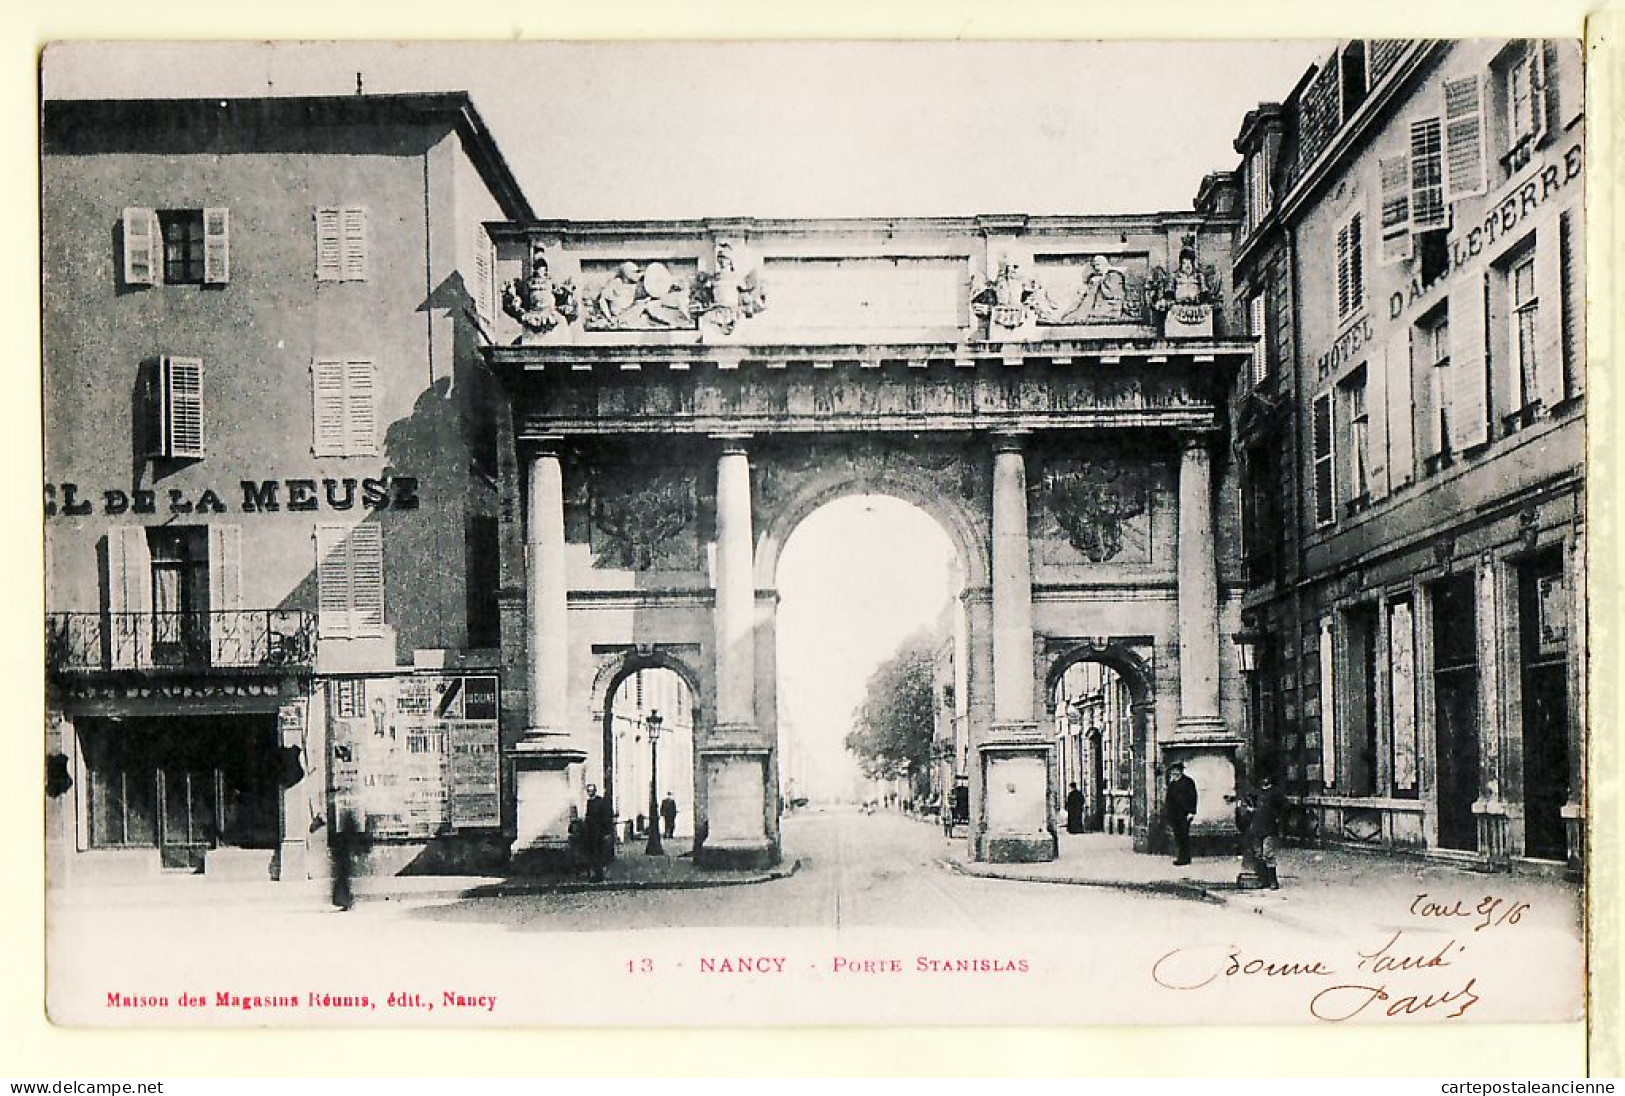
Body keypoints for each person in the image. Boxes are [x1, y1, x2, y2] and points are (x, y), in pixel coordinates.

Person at [1246, 773, 1284, 890]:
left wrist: (1278, 817)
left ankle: (1273, 881)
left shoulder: (1276, 792)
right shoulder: (1257, 793)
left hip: (1270, 827)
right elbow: (1250, 805)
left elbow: (1284, 806)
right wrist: (1251, 810)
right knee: (1258, 854)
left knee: (1268, 854)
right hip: (1257, 827)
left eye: (1266, 777)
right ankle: (1264, 880)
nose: (1264, 779)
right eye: (1263, 778)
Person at [1164, 762, 1198, 866]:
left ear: (1181, 771)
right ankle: (1181, 856)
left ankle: (1185, 858)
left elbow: (1193, 797)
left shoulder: (1188, 782)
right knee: (1178, 835)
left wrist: (1192, 812)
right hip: (1174, 814)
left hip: (1185, 814)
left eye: (1177, 771)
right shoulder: (1172, 784)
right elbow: (1168, 800)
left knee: (1184, 835)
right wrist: (1168, 813)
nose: (1175, 773)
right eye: (1173, 771)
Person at [582, 783, 613, 882]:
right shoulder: (589, 802)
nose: (590, 793)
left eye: (591, 791)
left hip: (599, 832)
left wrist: (606, 832)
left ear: (595, 791)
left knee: (599, 853)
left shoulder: (600, 802)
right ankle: (595, 873)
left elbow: (605, 817)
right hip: (591, 832)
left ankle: (599, 875)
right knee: (592, 853)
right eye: (588, 791)